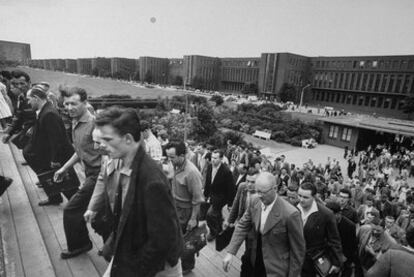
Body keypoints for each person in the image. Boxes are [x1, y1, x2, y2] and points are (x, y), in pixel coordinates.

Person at [84, 106, 183, 277]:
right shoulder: (123, 163)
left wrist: (134, 269)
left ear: (128, 139)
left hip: (157, 268)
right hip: (132, 252)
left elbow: (162, 240)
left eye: (107, 139)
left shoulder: (152, 180)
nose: (101, 146)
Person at [53, 87, 105, 259]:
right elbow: (80, 151)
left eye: (73, 103)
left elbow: (107, 154)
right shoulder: (76, 122)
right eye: (66, 104)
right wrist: (64, 168)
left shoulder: (93, 124)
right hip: (90, 173)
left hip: (99, 175)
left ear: (85, 102)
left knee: (71, 209)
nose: (69, 107)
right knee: (100, 215)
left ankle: (80, 246)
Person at [223, 172, 306, 277]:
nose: (259, 195)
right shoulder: (254, 201)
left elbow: (298, 250)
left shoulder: (291, 214)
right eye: (257, 191)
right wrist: (230, 252)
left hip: (276, 268)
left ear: (275, 189)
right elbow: (242, 226)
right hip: (255, 259)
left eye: (263, 192)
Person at [22, 85, 77, 205]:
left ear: (36, 98)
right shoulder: (45, 110)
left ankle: (77, 208)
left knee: (67, 186)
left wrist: (55, 159)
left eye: (29, 99)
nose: (28, 102)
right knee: (50, 179)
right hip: (48, 155)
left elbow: (56, 139)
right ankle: (55, 198)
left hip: (57, 158)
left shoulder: (49, 114)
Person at [165, 141, 204, 274]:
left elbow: (197, 200)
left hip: (187, 211)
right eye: (168, 157)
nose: (169, 160)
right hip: (176, 208)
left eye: (172, 157)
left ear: (182, 155)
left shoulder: (192, 172)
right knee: (177, 237)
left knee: (188, 240)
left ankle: (187, 267)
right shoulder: (176, 165)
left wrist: (193, 219)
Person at [297, 182, 343, 277]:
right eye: (299, 196)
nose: (301, 200)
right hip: (295, 259)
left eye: (305, 197)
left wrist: (336, 262)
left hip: (314, 261)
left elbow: (334, 240)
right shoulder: (292, 208)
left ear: (314, 197)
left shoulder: (326, 214)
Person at [204, 150, 236, 241]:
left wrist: (230, 204)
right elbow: (208, 181)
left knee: (210, 215)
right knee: (216, 214)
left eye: (215, 158)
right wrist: (206, 194)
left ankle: (214, 232)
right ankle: (219, 223)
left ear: (221, 159)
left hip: (221, 197)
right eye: (212, 158)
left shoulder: (226, 171)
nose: (213, 160)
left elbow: (231, 189)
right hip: (212, 195)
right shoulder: (210, 166)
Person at [326, 201, 358, 277]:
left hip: (343, 257)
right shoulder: (325, 222)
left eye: (331, 215)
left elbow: (351, 246)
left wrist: (341, 260)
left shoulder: (350, 226)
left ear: (339, 214)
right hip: (328, 256)